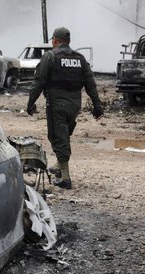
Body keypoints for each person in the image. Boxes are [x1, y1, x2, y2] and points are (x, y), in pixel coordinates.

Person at [26, 27, 104, 189]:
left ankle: (65, 178)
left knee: (56, 136)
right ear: (69, 41)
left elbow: (39, 81)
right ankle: (59, 166)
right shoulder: (80, 58)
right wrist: (97, 105)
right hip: (75, 105)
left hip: (56, 104)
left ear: (55, 40)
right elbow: (90, 83)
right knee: (64, 135)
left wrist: (31, 102)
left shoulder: (50, 56)